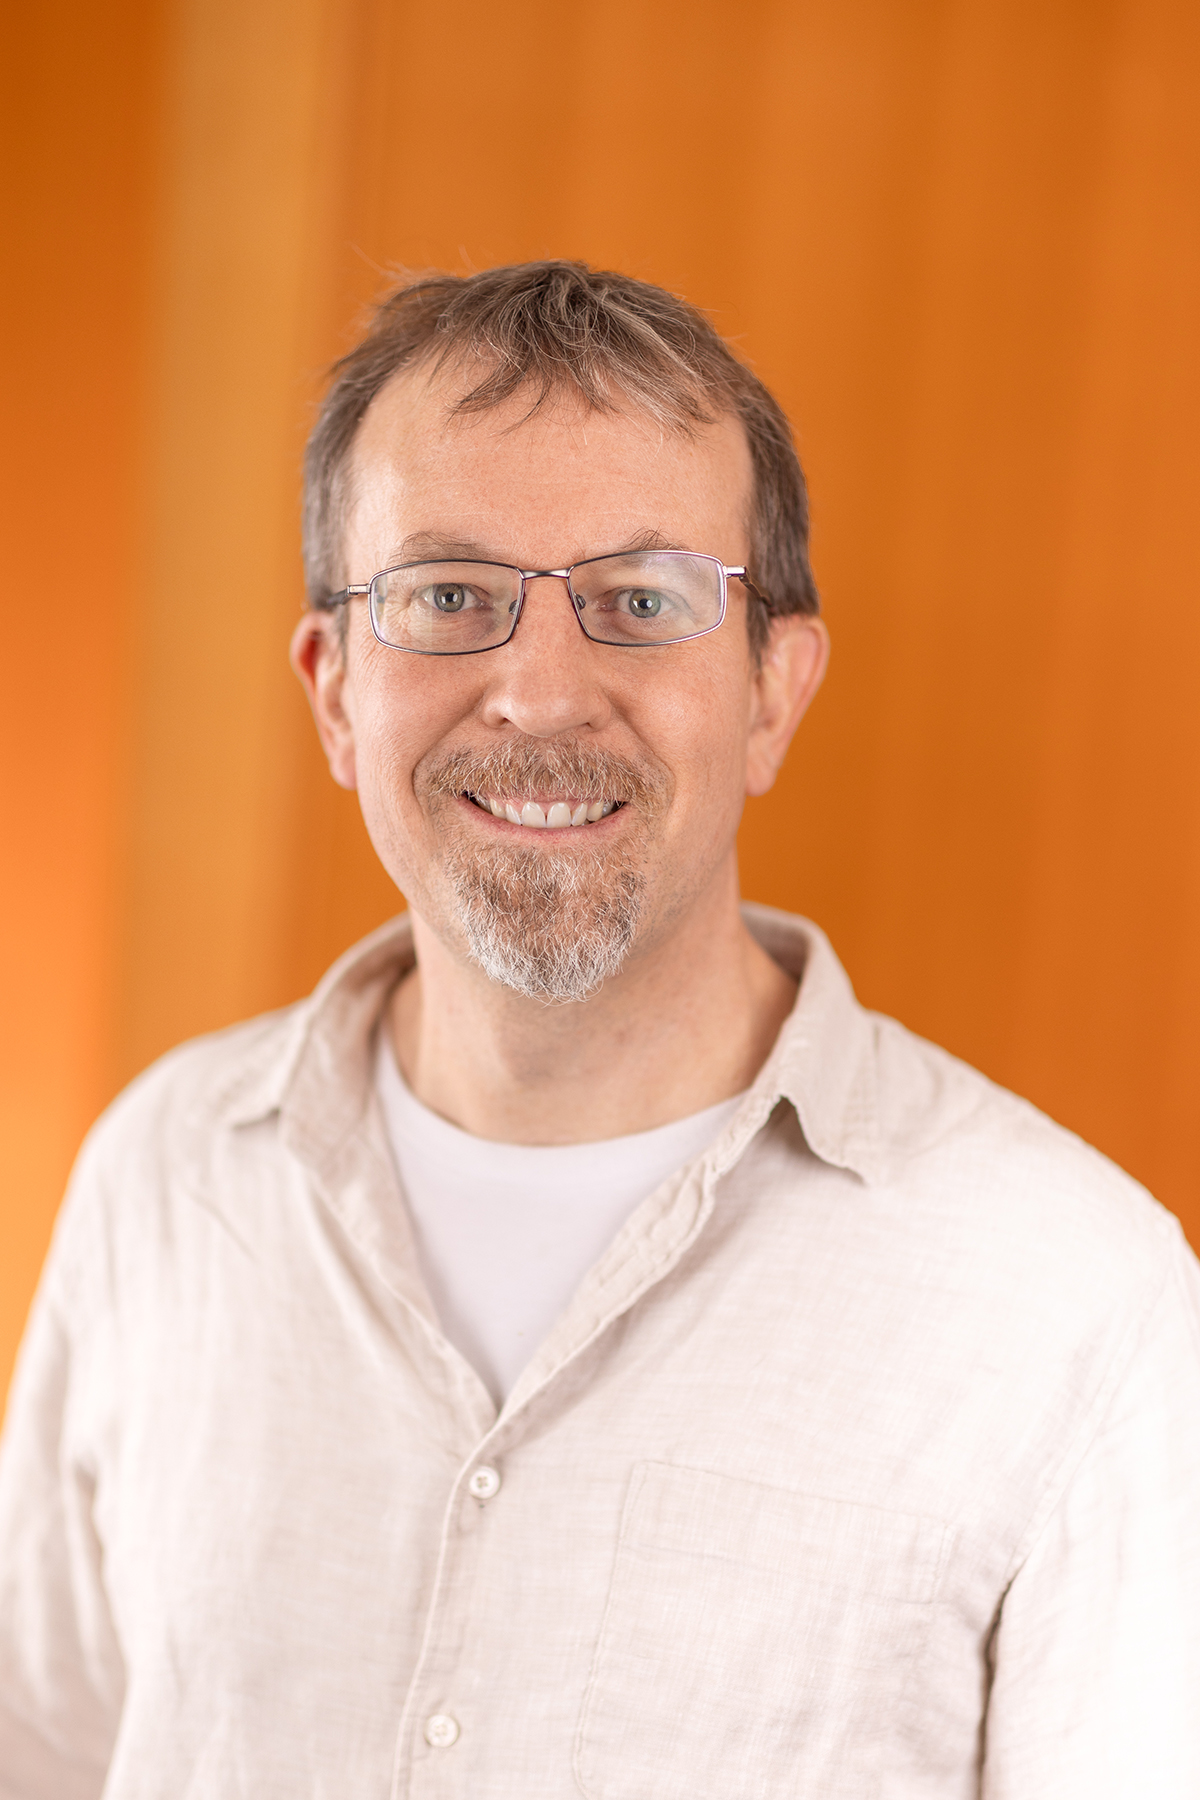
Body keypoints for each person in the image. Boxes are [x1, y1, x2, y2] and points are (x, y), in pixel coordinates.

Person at [1, 261, 1198, 1799]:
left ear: (771, 691)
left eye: (641, 601)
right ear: (332, 692)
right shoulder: (163, 1178)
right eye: (447, 597)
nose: (540, 694)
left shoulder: (1073, 1306)